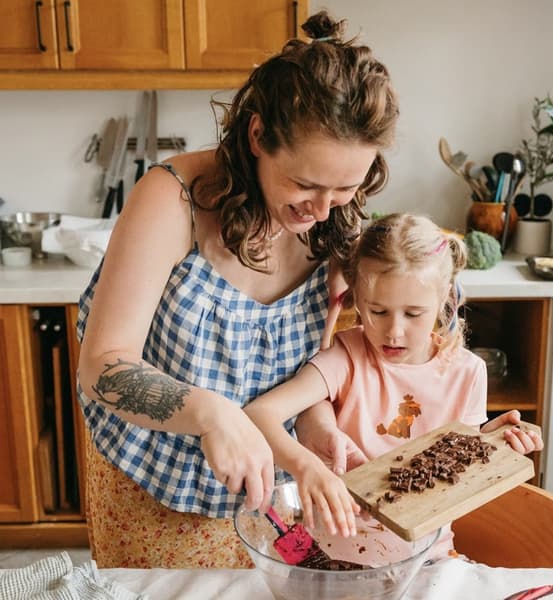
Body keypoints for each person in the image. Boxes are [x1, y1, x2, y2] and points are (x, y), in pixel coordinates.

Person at [76, 10, 400, 569]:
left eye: (345, 187)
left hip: (273, 490)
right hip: (153, 485)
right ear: (256, 136)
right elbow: (101, 367)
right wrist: (211, 413)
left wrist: (315, 433)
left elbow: (314, 374)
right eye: (305, 184)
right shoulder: (173, 199)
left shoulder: (335, 228)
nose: (321, 210)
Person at [245, 213, 544, 557]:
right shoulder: (346, 357)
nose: (393, 331)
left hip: (426, 555)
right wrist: (307, 467)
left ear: (445, 296)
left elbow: (456, 472)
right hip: (333, 553)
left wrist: (495, 440)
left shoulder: (469, 372)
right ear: (356, 295)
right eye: (378, 311)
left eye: (413, 314)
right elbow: (259, 414)